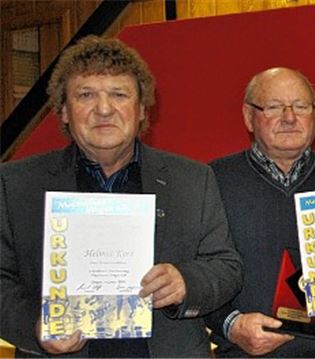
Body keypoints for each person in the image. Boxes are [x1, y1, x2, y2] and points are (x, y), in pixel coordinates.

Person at [0, 35, 242, 357]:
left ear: (141, 109)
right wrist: (35, 326)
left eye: (119, 94)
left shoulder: (193, 179)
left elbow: (226, 266)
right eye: (86, 95)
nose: (104, 109)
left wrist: (186, 281)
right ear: (64, 111)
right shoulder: (15, 183)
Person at [203, 67, 315, 357]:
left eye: (300, 106)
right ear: (248, 116)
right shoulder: (211, 182)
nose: (289, 117)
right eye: (274, 107)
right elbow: (196, 274)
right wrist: (230, 325)